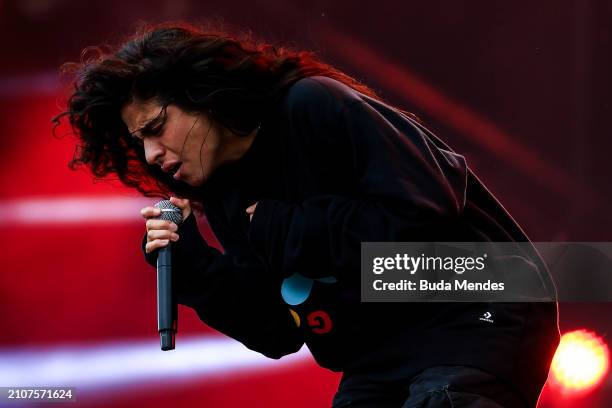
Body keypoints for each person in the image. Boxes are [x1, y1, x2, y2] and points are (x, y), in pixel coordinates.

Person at [53, 22, 560, 407]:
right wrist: (197, 269)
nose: (152, 156)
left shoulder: (311, 105)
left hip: (478, 316)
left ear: (201, 95)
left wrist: (282, 226)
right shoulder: (227, 196)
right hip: (378, 357)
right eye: (139, 142)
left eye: (157, 127)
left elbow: (422, 211)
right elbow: (278, 329)